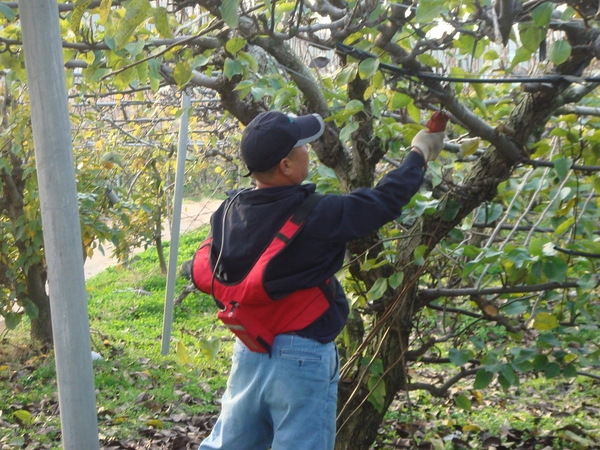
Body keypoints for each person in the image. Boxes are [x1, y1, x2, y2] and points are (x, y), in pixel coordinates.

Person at [194, 110, 445, 450]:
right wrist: (419, 153)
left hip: (251, 347)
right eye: (302, 147)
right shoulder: (319, 215)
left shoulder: (228, 210)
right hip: (303, 355)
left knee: (231, 444)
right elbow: (384, 200)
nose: (308, 151)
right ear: (285, 165)